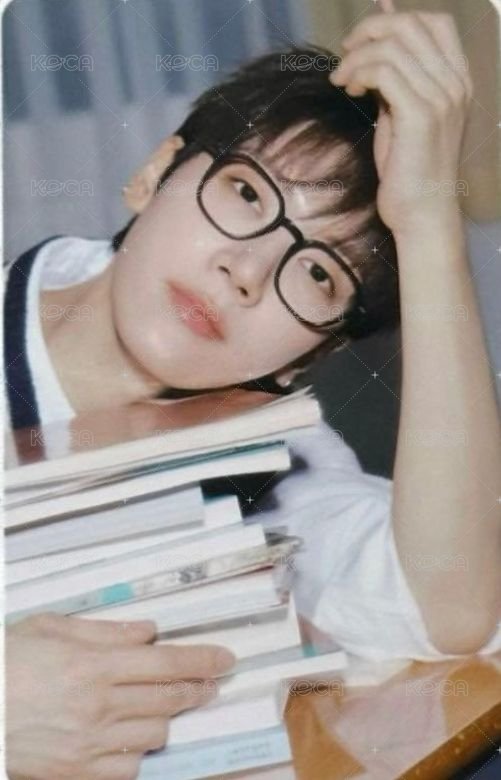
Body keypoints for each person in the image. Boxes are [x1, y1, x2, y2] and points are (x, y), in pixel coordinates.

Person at [5, 8, 501, 780]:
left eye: (316, 274)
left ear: (311, 356)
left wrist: (429, 221)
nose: (247, 272)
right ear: (154, 174)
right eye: (245, 193)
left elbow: (450, 611)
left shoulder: (268, 452)